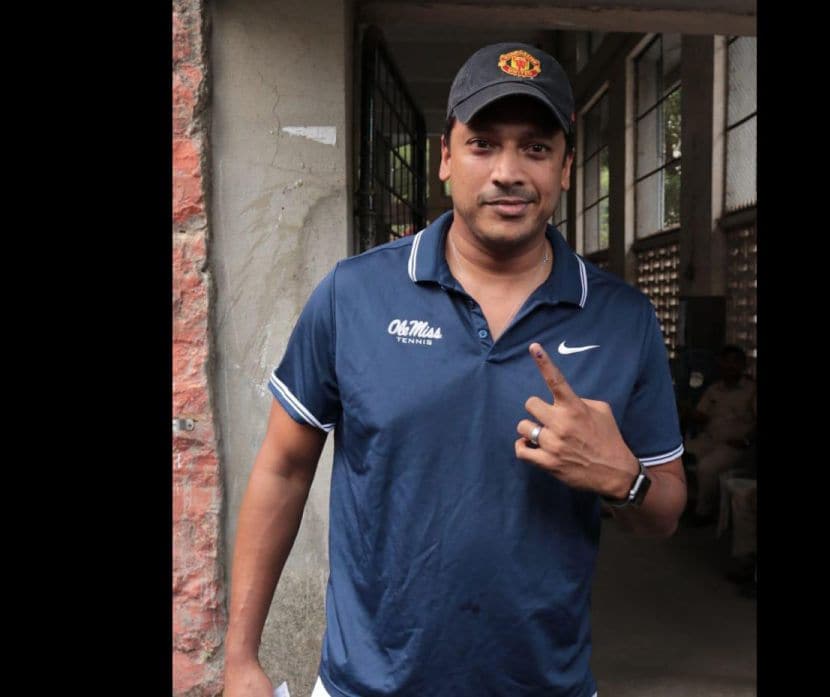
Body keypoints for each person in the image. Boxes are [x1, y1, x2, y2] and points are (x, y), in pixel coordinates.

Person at [223, 42, 687, 697]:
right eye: (483, 144)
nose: (507, 171)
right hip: (367, 685)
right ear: (445, 157)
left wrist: (624, 478)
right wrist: (240, 657)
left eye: (534, 147)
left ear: (565, 167)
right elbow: (284, 466)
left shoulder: (621, 319)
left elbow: (666, 508)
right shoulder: (355, 294)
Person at [680, 345, 756, 526]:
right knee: (675, 457)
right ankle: (684, 503)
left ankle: (703, 512)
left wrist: (747, 440)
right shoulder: (714, 389)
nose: (730, 366)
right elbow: (701, 414)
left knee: (707, 467)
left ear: (743, 365)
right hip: (709, 439)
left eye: (735, 362)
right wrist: (685, 409)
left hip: (734, 444)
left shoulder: (752, 390)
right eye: (726, 362)